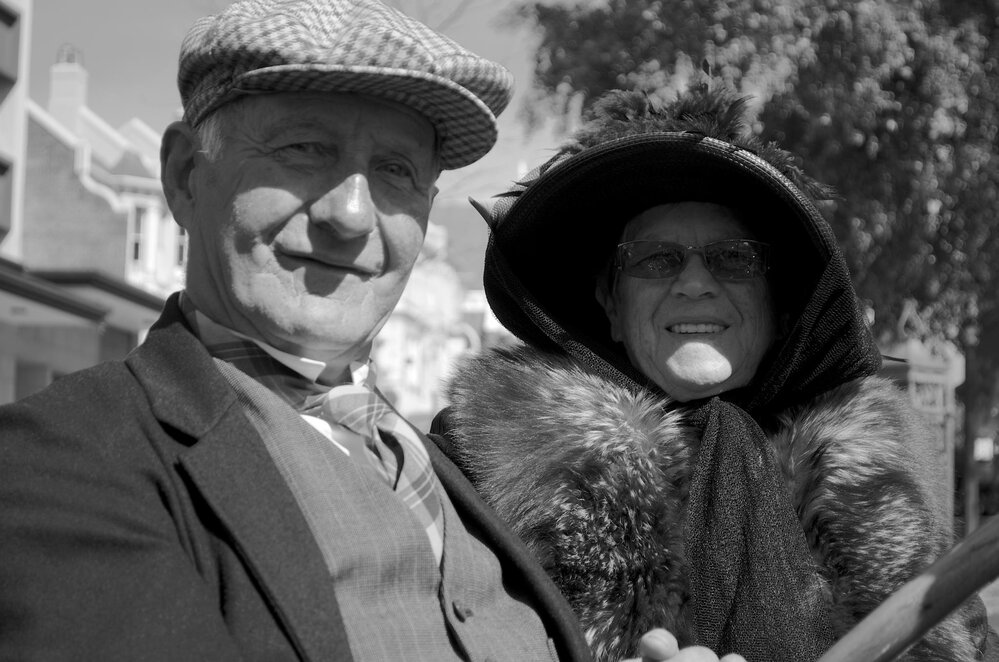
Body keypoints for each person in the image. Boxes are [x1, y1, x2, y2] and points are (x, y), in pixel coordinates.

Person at [0, 0, 613, 659]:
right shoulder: (62, 460)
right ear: (184, 175)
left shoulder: (458, 463)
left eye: (396, 170)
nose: (351, 215)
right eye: (303, 150)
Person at [432, 83, 997, 662]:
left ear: (778, 306)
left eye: (734, 258)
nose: (696, 282)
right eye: (656, 259)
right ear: (611, 305)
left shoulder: (885, 476)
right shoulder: (475, 472)